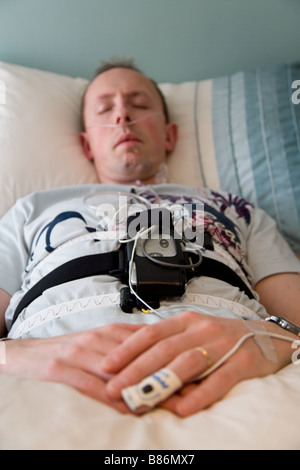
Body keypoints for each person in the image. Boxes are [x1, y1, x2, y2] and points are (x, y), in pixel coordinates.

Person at [0, 59, 300, 417]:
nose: (123, 115)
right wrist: (12, 355)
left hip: (237, 375)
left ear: (170, 134)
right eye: (105, 109)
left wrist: (270, 343)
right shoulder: (31, 210)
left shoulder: (239, 211)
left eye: (139, 105)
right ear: (87, 144)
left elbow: (296, 325)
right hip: (45, 382)